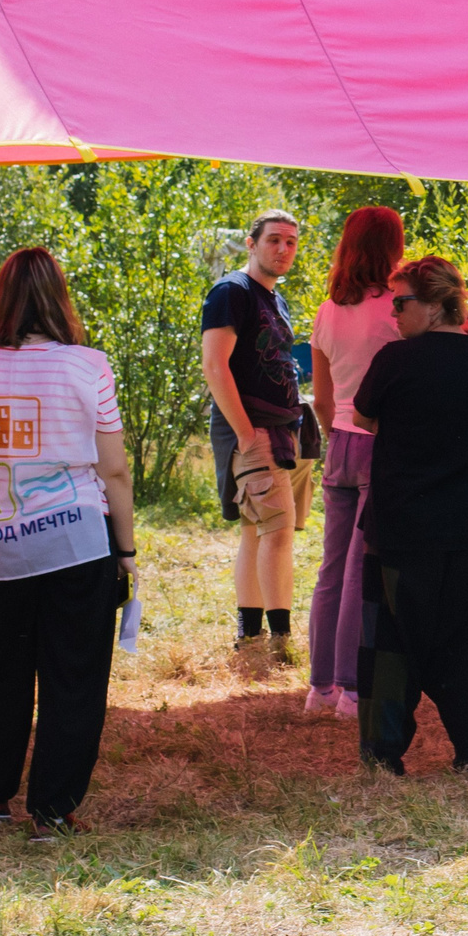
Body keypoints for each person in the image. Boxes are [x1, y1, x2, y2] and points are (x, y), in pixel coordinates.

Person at [0, 247, 133, 839]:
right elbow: (114, 471)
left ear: (0, 299)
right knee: (74, 677)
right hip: (77, 542)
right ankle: (53, 809)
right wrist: (126, 551)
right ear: (59, 298)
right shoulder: (88, 366)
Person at [349, 256, 468, 772]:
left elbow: (363, 416)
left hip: (401, 528)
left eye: (401, 301)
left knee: (391, 642)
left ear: (435, 305)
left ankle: (384, 753)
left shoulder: (396, 361)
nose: (394, 313)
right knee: (462, 639)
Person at [304, 205, 405, 718]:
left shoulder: (328, 310)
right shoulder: (395, 309)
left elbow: (321, 398)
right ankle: (350, 686)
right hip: (377, 443)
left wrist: (334, 430)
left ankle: (319, 687)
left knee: (330, 566)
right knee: (360, 573)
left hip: (339, 441)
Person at [201, 211, 311, 652]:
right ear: (250, 243)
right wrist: (246, 434)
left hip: (279, 432)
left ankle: (250, 635)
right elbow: (214, 365)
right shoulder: (233, 291)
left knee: (257, 529)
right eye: (274, 241)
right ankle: (280, 640)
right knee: (278, 530)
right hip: (252, 430)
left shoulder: (274, 297)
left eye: (291, 242)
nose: (283, 249)